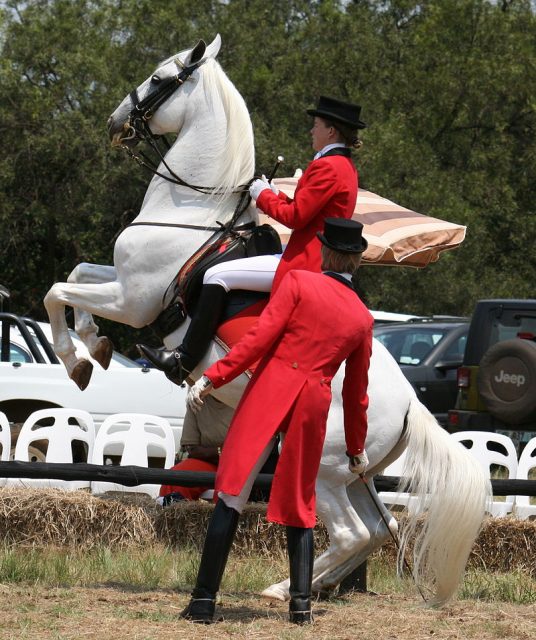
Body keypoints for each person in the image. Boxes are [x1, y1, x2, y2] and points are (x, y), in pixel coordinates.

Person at [179, 218, 373, 625]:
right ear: (356, 261)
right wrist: (356, 449)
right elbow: (356, 394)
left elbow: (259, 339)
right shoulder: (361, 317)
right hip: (312, 402)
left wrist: (214, 377)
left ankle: (203, 602)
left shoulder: (300, 283)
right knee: (300, 502)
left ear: (324, 252)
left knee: (231, 490)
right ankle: (300, 607)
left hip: (272, 388)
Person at [138, 96, 367, 385]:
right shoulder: (341, 165)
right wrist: (274, 193)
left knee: (215, 274)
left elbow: (296, 217)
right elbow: (310, 212)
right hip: (306, 256)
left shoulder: (329, 167)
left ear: (331, 131)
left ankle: (183, 360)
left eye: (316, 125)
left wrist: (262, 195)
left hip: (303, 264)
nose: (312, 131)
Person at [159, 394, 234, 504]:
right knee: (174, 479)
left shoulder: (245, 395)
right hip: (211, 463)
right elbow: (192, 448)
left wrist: (226, 453)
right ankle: (172, 518)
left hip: (241, 464)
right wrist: (220, 451)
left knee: (229, 490)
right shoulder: (197, 399)